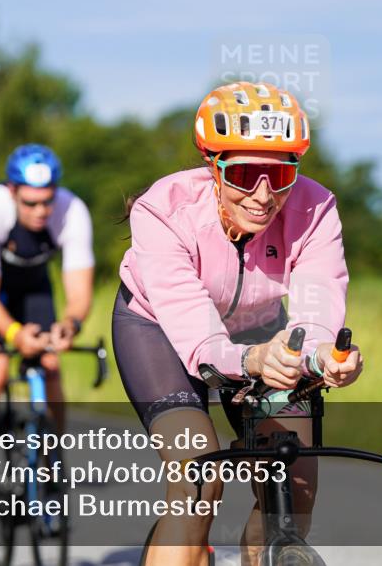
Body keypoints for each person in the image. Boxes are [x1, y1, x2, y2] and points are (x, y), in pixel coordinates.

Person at [114, 82, 363, 566]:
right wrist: (252, 360)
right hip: (160, 332)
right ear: (213, 167)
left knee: (293, 484)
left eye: (281, 174)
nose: (264, 195)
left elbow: (316, 305)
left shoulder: (315, 208)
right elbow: (198, 332)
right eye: (246, 173)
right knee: (198, 475)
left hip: (262, 328)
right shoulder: (163, 210)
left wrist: (319, 358)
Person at [0, 144, 95, 439]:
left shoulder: (72, 211)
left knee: (50, 364)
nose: (41, 211)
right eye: (30, 203)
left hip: (32, 285)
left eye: (47, 201)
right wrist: (15, 335)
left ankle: (53, 463)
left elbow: (80, 293)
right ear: (11, 191)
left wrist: (70, 325)